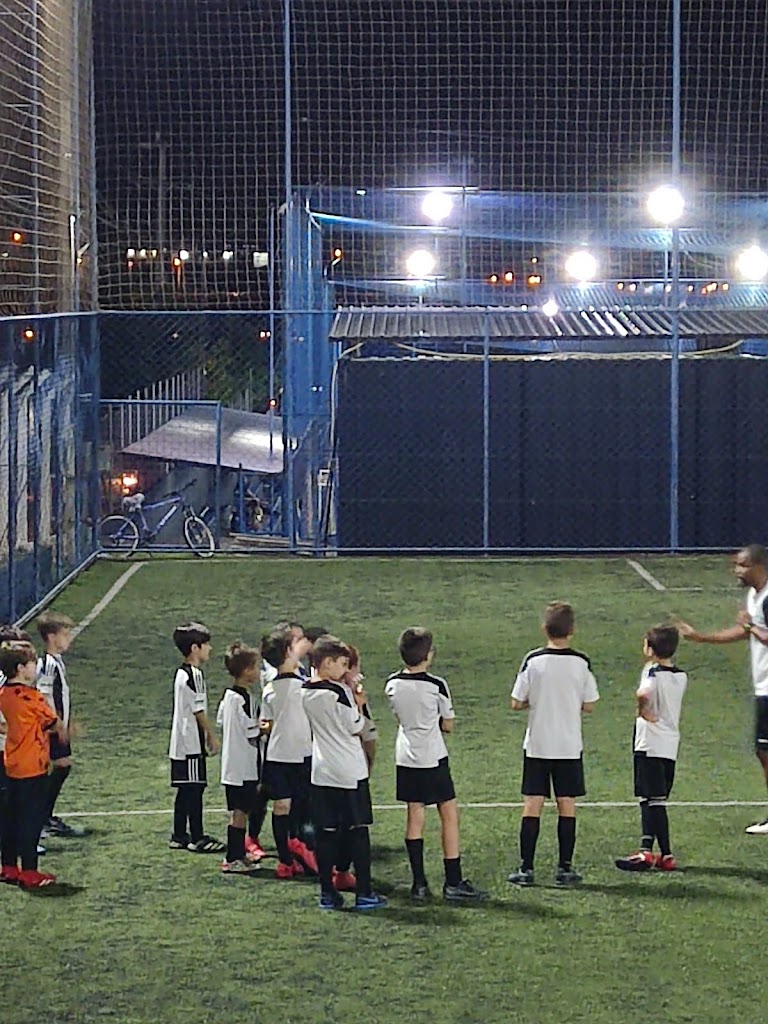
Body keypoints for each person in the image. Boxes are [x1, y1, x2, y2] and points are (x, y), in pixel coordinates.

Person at [385, 627, 488, 903]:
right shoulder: (436, 685)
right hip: (432, 757)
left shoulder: (392, 683)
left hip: (406, 756)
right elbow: (448, 725)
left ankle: (419, 885)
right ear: (427, 656)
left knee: (414, 815)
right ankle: (453, 882)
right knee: (449, 813)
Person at [676, 543, 768, 834]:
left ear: (759, 566)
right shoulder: (754, 596)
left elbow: (754, 631)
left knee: (764, 751)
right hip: (763, 686)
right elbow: (745, 632)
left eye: (742, 565)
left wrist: (750, 627)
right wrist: (701, 637)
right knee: (763, 751)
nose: (736, 571)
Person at [508, 601, 599, 887]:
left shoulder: (533, 660)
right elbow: (590, 704)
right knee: (566, 805)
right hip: (568, 745)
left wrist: (536, 701)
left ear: (544, 629)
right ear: (572, 630)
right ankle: (564, 868)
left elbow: (516, 702)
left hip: (538, 744)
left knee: (532, 804)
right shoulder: (581, 662)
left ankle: (526, 868)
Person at [301, 634, 387, 911]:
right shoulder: (339, 692)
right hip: (349, 771)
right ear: (327, 663)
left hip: (322, 772)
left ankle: (327, 893)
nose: (345, 669)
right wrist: (359, 702)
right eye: (341, 663)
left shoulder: (305, 690)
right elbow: (355, 726)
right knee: (358, 831)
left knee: (326, 834)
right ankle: (364, 893)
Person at [615, 624, 687, 872]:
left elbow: (643, 694)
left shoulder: (651, 671)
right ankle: (650, 851)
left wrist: (643, 712)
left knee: (652, 800)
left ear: (650, 649)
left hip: (649, 742)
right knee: (653, 799)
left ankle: (661, 854)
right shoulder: (681, 676)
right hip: (670, 743)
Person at [0, 640, 68, 888]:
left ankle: (8, 867)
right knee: (31, 819)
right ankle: (29, 871)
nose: (35, 666)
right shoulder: (31, 698)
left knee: (10, 817)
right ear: (20, 668)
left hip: (11, 763)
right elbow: (53, 723)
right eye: (31, 663)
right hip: (32, 766)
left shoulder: (3, 694)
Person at [260, 625, 317, 879]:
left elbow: (269, 723)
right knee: (299, 807)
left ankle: (286, 860)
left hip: (277, 756)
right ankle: (299, 853)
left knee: (281, 807)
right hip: (300, 755)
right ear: (287, 652)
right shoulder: (303, 687)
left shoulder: (270, 689)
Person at [168, 621, 224, 853]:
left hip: (179, 743)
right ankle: (197, 837)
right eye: (206, 645)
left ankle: (179, 834)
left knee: (185, 789)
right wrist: (211, 736)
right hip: (191, 744)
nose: (209, 649)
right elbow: (198, 710)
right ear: (194, 648)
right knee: (194, 789)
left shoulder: (181, 673)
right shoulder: (195, 675)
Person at [36, 611, 86, 839]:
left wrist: (69, 721)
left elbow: (61, 696)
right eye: (65, 634)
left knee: (62, 766)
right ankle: (41, 817)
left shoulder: (57, 662)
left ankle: (43, 816)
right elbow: (44, 697)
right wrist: (57, 724)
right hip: (50, 728)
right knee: (60, 766)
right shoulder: (48, 664)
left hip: (57, 725)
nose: (68, 639)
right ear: (51, 637)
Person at [216, 642, 263, 874]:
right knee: (240, 812)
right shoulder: (243, 699)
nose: (259, 671)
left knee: (239, 811)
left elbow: (221, 721)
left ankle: (238, 854)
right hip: (242, 766)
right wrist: (265, 727)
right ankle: (233, 857)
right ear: (246, 670)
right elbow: (250, 730)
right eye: (256, 666)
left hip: (234, 765)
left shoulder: (229, 697)